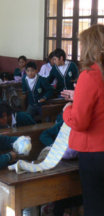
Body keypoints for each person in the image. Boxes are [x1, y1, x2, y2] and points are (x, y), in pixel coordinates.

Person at [63, 24, 104, 216]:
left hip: (95, 152)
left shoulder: (90, 75)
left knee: (95, 205)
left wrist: (68, 109)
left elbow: (80, 122)